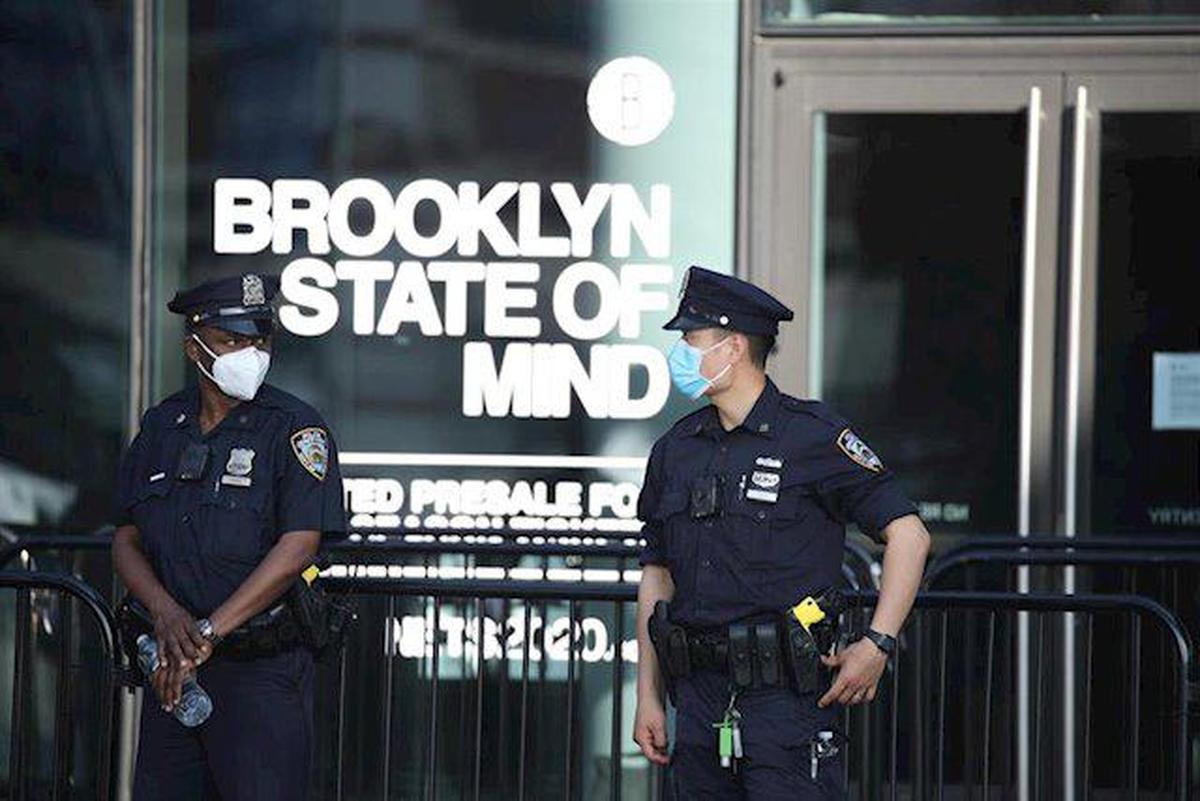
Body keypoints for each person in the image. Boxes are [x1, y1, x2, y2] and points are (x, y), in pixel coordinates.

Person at [632, 266, 931, 799]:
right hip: (698, 701)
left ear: (734, 347)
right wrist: (647, 696)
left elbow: (909, 534)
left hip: (786, 704)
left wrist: (877, 643)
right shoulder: (676, 449)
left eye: (692, 339)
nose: (681, 351)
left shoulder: (811, 437)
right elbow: (657, 576)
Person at [112, 273, 346, 801]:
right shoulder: (162, 426)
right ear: (193, 346)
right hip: (172, 670)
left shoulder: (294, 427)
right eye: (232, 340)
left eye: (259, 339)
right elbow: (127, 537)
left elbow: (299, 547)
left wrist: (208, 634)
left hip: (257, 672)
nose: (250, 353)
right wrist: (167, 615)